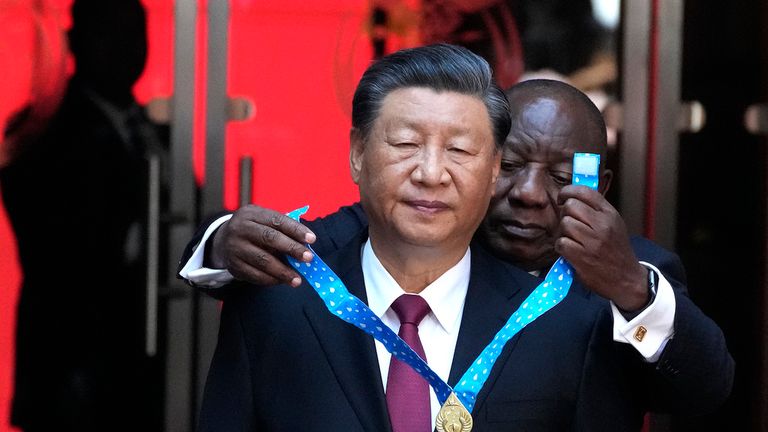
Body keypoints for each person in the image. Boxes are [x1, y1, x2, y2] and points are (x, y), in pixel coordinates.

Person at [188, 45, 730, 431]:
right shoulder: (378, 238)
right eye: (514, 164)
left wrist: (631, 288)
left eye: (563, 178)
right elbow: (331, 235)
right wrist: (220, 242)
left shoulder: (607, 292)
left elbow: (704, 390)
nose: (530, 195)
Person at [0, 0, 163, 430]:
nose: (126, 47)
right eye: (110, 33)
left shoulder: (155, 130)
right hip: (74, 372)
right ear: (77, 42)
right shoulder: (44, 131)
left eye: (135, 33)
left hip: (144, 373)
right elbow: (60, 255)